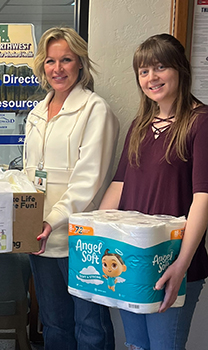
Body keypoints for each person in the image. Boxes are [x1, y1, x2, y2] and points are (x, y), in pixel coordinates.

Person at [100, 33, 208, 350]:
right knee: (135, 345)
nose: (151, 77)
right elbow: (118, 186)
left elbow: (203, 197)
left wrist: (182, 264)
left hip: (173, 261)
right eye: (144, 71)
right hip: (132, 259)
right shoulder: (140, 126)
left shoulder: (200, 123)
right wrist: (98, 238)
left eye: (160, 67)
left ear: (180, 69)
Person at [22, 27, 119, 350]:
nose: (57, 68)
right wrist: (28, 223)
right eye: (50, 61)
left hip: (80, 238)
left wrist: (53, 220)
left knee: (90, 326)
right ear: (42, 65)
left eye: (66, 60)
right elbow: (29, 174)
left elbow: (88, 181)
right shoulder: (36, 114)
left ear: (80, 64)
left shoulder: (95, 110)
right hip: (40, 238)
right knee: (53, 322)